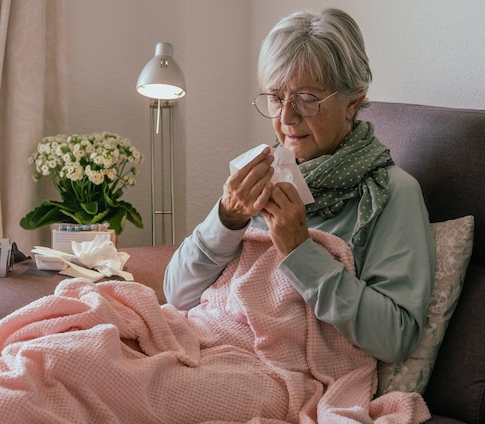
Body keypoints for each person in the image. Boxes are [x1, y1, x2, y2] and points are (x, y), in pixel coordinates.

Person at [164, 8, 435, 364]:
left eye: (307, 98)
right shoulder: (267, 170)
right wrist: (227, 219)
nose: (287, 118)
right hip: (203, 338)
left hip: (266, 366)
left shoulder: (390, 192)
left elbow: (395, 337)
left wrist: (299, 250)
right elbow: (177, 292)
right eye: (276, 98)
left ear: (352, 100)